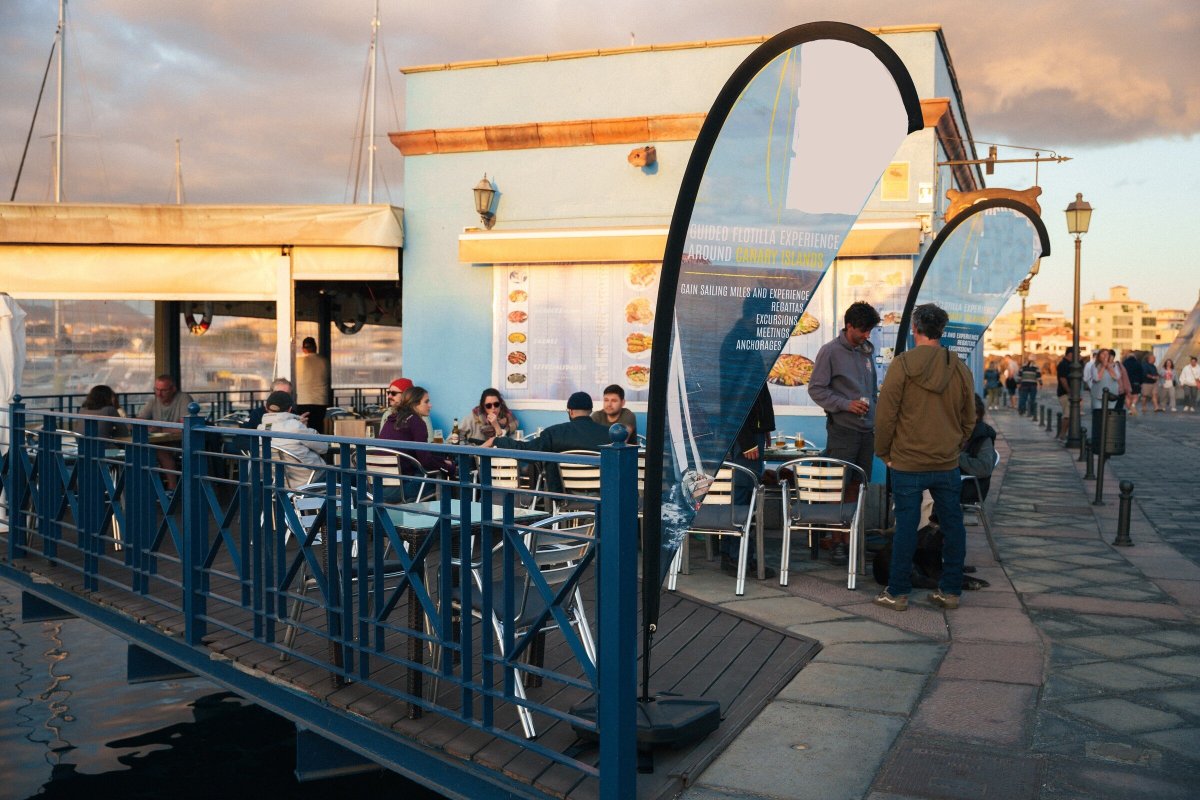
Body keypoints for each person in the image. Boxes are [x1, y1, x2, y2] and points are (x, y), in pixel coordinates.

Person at [873, 303, 975, 612]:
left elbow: (886, 416)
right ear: (942, 330)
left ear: (915, 329)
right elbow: (969, 418)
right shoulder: (959, 367)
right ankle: (950, 591)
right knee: (953, 525)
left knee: (906, 526)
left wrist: (884, 452)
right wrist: (954, 445)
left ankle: (897, 593)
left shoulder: (902, 364)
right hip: (946, 461)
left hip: (907, 460)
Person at [808, 300, 880, 565]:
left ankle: (851, 541)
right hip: (842, 431)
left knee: (857, 487)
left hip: (867, 431)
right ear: (849, 326)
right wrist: (845, 404)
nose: (867, 335)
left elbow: (871, 391)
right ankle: (836, 541)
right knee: (837, 488)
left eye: (869, 330)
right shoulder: (829, 351)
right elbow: (816, 389)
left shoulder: (866, 352)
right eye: (863, 330)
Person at [484, 392, 610, 492]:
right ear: (590, 411)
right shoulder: (608, 434)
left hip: (564, 498)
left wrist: (497, 440)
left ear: (570, 411)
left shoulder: (554, 433)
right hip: (602, 497)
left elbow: (525, 451)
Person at [721, 384, 775, 578]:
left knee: (741, 495)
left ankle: (731, 555)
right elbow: (733, 402)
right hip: (747, 435)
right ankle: (740, 558)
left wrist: (764, 427)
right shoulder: (743, 362)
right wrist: (747, 440)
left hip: (752, 431)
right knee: (744, 497)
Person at [379, 385, 458, 484]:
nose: (430, 405)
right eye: (426, 402)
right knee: (440, 478)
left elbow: (419, 455)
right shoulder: (416, 422)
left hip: (377, 485)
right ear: (415, 404)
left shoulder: (392, 419)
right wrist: (449, 467)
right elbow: (425, 460)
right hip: (401, 486)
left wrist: (442, 462)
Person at [258, 390, 328, 487]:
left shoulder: (262, 429)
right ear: (290, 409)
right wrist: (304, 427)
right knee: (341, 473)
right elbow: (323, 447)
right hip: (310, 479)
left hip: (280, 482)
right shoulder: (296, 426)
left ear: (266, 407)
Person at [959, 394, 997, 503]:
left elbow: (984, 468)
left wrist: (956, 457)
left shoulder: (983, 437)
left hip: (969, 489)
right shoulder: (957, 431)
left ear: (977, 415)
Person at [295, 336, 331, 434]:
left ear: (303, 349)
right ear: (315, 347)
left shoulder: (297, 361)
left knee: (303, 429)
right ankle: (319, 443)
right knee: (318, 428)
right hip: (320, 401)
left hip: (303, 401)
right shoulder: (324, 361)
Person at [1055, 347, 1075, 440]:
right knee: (1067, 415)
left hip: (1068, 393)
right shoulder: (1063, 364)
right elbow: (1062, 379)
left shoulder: (1070, 364)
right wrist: (1069, 391)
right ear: (1070, 354)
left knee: (1069, 415)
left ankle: (1064, 434)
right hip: (1065, 393)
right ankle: (1062, 434)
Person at [1122, 351, 1144, 415]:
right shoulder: (1138, 363)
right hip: (1136, 382)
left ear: (1127, 357)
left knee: (1127, 396)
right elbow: (1141, 373)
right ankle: (1133, 405)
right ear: (1135, 357)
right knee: (1135, 395)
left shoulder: (1124, 363)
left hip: (1126, 382)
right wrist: (1141, 382)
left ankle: (1129, 410)